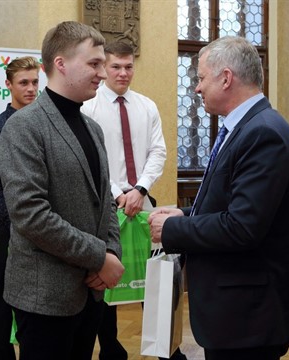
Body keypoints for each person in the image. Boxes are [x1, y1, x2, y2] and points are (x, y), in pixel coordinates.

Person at [147, 36, 289, 360]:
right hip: (240, 313)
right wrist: (185, 215)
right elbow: (232, 203)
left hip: (250, 317)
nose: (196, 88)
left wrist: (172, 231)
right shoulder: (247, 127)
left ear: (226, 78)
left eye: (201, 78)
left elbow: (243, 226)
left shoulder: (262, 133)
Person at [0, 21, 124, 359]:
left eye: (102, 63)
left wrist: (111, 253)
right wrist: (99, 257)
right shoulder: (23, 127)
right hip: (45, 298)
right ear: (61, 64)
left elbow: (105, 202)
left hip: (89, 292)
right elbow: (30, 216)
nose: (102, 73)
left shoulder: (92, 128)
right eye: (94, 64)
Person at [82, 42, 186, 360]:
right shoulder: (89, 107)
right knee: (108, 273)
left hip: (143, 201)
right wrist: (118, 193)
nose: (123, 73)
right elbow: (93, 159)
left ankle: (167, 348)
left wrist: (139, 190)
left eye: (128, 67)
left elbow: (158, 152)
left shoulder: (146, 106)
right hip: (104, 202)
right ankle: (111, 348)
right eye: (116, 67)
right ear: (103, 68)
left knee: (153, 275)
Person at [0, 56, 40, 359]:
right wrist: (20, 222)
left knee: (37, 301)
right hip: (11, 231)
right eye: (23, 83)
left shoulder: (45, 125)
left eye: (35, 82)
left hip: (44, 231)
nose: (31, 89)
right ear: (8, 85)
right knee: (4, 300)